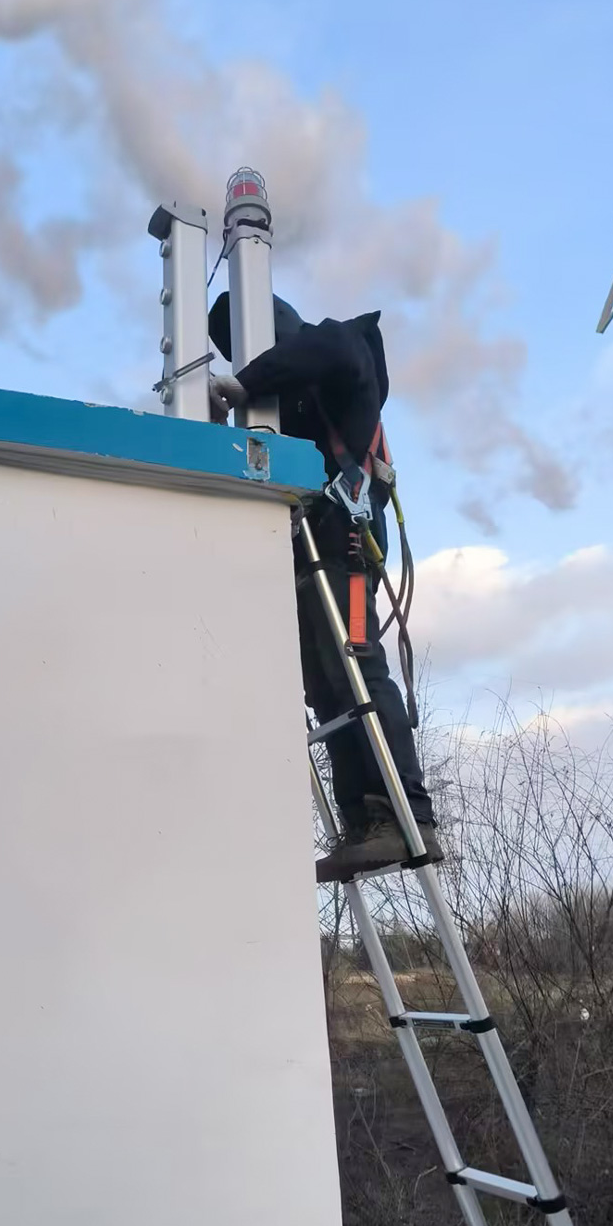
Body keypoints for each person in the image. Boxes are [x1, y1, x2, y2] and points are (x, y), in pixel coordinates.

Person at [207, 292, 442, 882]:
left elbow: (334, 345)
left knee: (356, 663)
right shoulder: (287, 410)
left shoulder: (343, 352)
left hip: (348, 551)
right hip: (309, 557)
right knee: (326, 683)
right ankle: (364, 822)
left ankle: (406, 812)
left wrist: (245, 383)